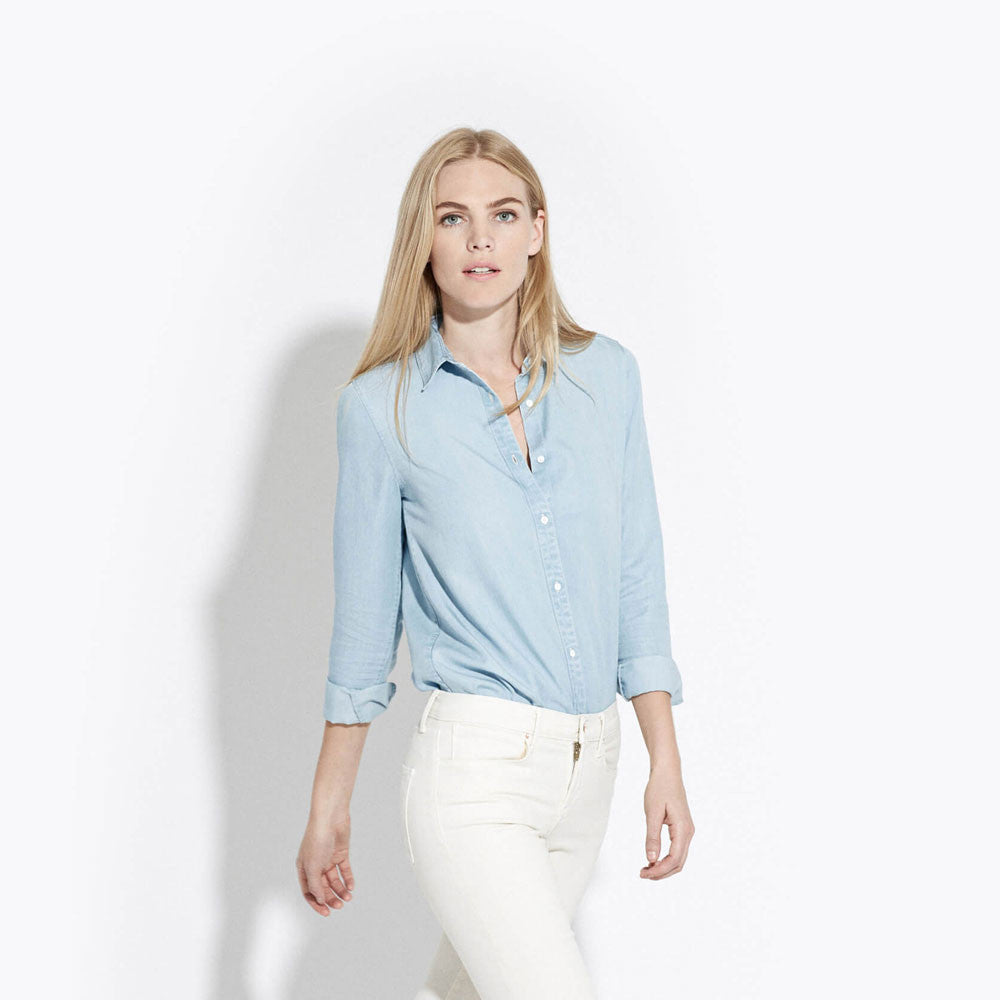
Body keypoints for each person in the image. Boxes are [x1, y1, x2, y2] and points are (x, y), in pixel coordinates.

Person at [296, 127, 694, 1000]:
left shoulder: (607, 378)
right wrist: (329, 807)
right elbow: (364, 630)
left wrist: (663, 757)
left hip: (592, 767)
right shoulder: (381, 409)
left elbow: (637, 574)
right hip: (474, 778)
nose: (480, 239)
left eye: (504, 215)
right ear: (424, 240)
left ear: (537, 230)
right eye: (453, 218)